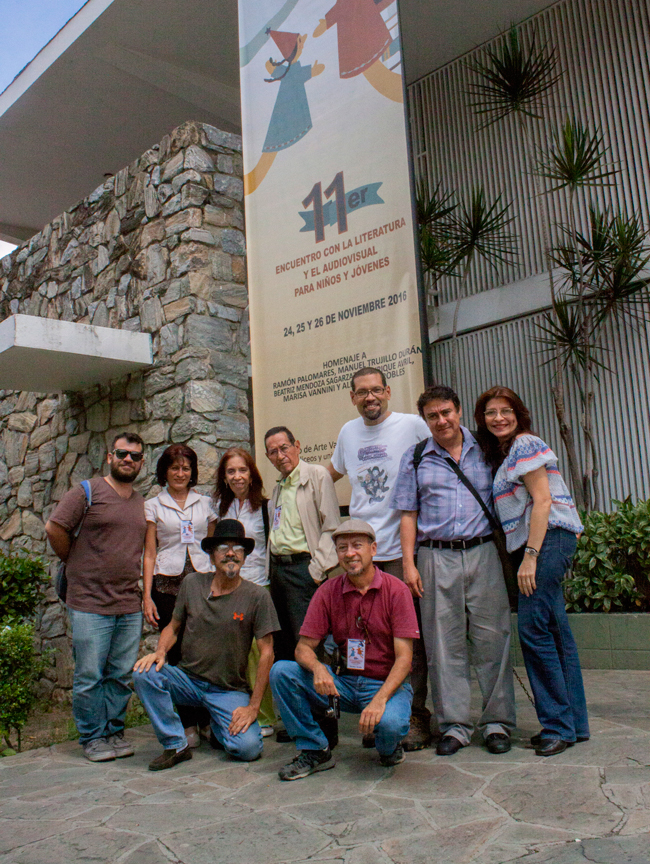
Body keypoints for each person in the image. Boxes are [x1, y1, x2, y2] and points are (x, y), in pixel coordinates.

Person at [391, 385, 516, 756]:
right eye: (433, 416)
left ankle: (497, 724)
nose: (441, 420)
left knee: (493, 640)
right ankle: (455, 726)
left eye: (447, 412)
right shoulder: (415, 458)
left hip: (483, 553)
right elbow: (408, 514)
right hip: (434, 558)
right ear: (425, 421)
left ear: (459, 411)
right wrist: (409, 564)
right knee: (442, 644)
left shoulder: (488, 449)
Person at [475, 386, 589, 757]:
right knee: (555, 632)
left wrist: (531, 556)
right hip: (544, 542)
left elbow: (542, 502)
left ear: (518, 414)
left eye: (505, 410)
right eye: (490, 412)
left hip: (548, 540)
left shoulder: (525, 443)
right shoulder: (507, 454)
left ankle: (557, 724)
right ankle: (574, 724)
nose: (498, 418)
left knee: (533, 631)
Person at [328, 366, 432, 750]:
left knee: (409, 643)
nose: (370, 397)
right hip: (360, 553)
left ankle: (415, 715)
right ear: (352, 397)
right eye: (361, 392)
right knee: (366, 640)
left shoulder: (413, 426)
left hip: (400, 553)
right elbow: (331, 474)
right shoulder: (347, 433)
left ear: (387, 391)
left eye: (376, 390)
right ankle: (379, 711)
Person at [270, 519, 419, 780]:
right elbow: (303, 648)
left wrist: (379, 701)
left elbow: (404, 660)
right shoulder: (328, 592)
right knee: (282, 672)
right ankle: (315, 749)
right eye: (342, 548)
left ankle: (389, 747)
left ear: (373, 549)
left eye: (357, 545)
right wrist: (318, 668)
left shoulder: (396, 590)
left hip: (385, 684)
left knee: (390, 724)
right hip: (344, 684)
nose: (349, 553)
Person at [133, 520, 279, 771]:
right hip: (187, 680)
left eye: (238, 549)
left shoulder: (257, 596)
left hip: (227, 689)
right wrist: (159, 653)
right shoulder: (192, 584)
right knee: (143, 673)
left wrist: (253, 707)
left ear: (244, 557)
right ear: (212, 556)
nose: (231, 553)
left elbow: (267, 653)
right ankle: (176, 743)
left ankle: (217, 730)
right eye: (223, 547)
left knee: (248, 749)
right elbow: (173, 627)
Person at [45, 432, 147, 762]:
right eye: (122, 454)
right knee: (89, 675)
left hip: (128, 603)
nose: (128, 460)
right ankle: (92, 737)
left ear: (141, 463)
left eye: (134, 456)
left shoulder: (139, 501)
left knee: (119, 675)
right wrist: (72, 561)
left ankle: (114, 731)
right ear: (109, 457)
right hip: (89, 603)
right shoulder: (87, 491)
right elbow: (54, 528)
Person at [142, 444, 217, 749]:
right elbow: (149, 552)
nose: (180, 473)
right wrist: (146, 596)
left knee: (203, 650)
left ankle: (207, 719)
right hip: (167, 584)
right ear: (165, 471)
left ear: (192, 472)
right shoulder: (153, 505)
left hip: (201, 581)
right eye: (174, 467)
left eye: (186, 468)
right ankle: (187, 722)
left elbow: (212, 546)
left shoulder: (205, 503)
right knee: (175, 653)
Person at [214, 447, 276, 735]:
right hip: (227, 585)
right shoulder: (219, 509)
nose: (237, 476)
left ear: (252, 474)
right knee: (230, 652)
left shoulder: (265, 505)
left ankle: (263, 716)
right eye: (231, 471)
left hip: (258, 585)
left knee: (258, 652)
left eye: (242, 470)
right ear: (224, 478)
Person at [265, 425, 339, 664]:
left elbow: (332, 528)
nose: (280, 455)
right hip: (278, 573)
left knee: (308, 643)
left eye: (284, 448)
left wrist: (316, 571)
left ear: (297, 446)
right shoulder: (277, 489)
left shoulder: (317, 476)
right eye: (273, 452)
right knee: (284, 643)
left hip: (304, 571)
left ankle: (320, 699)